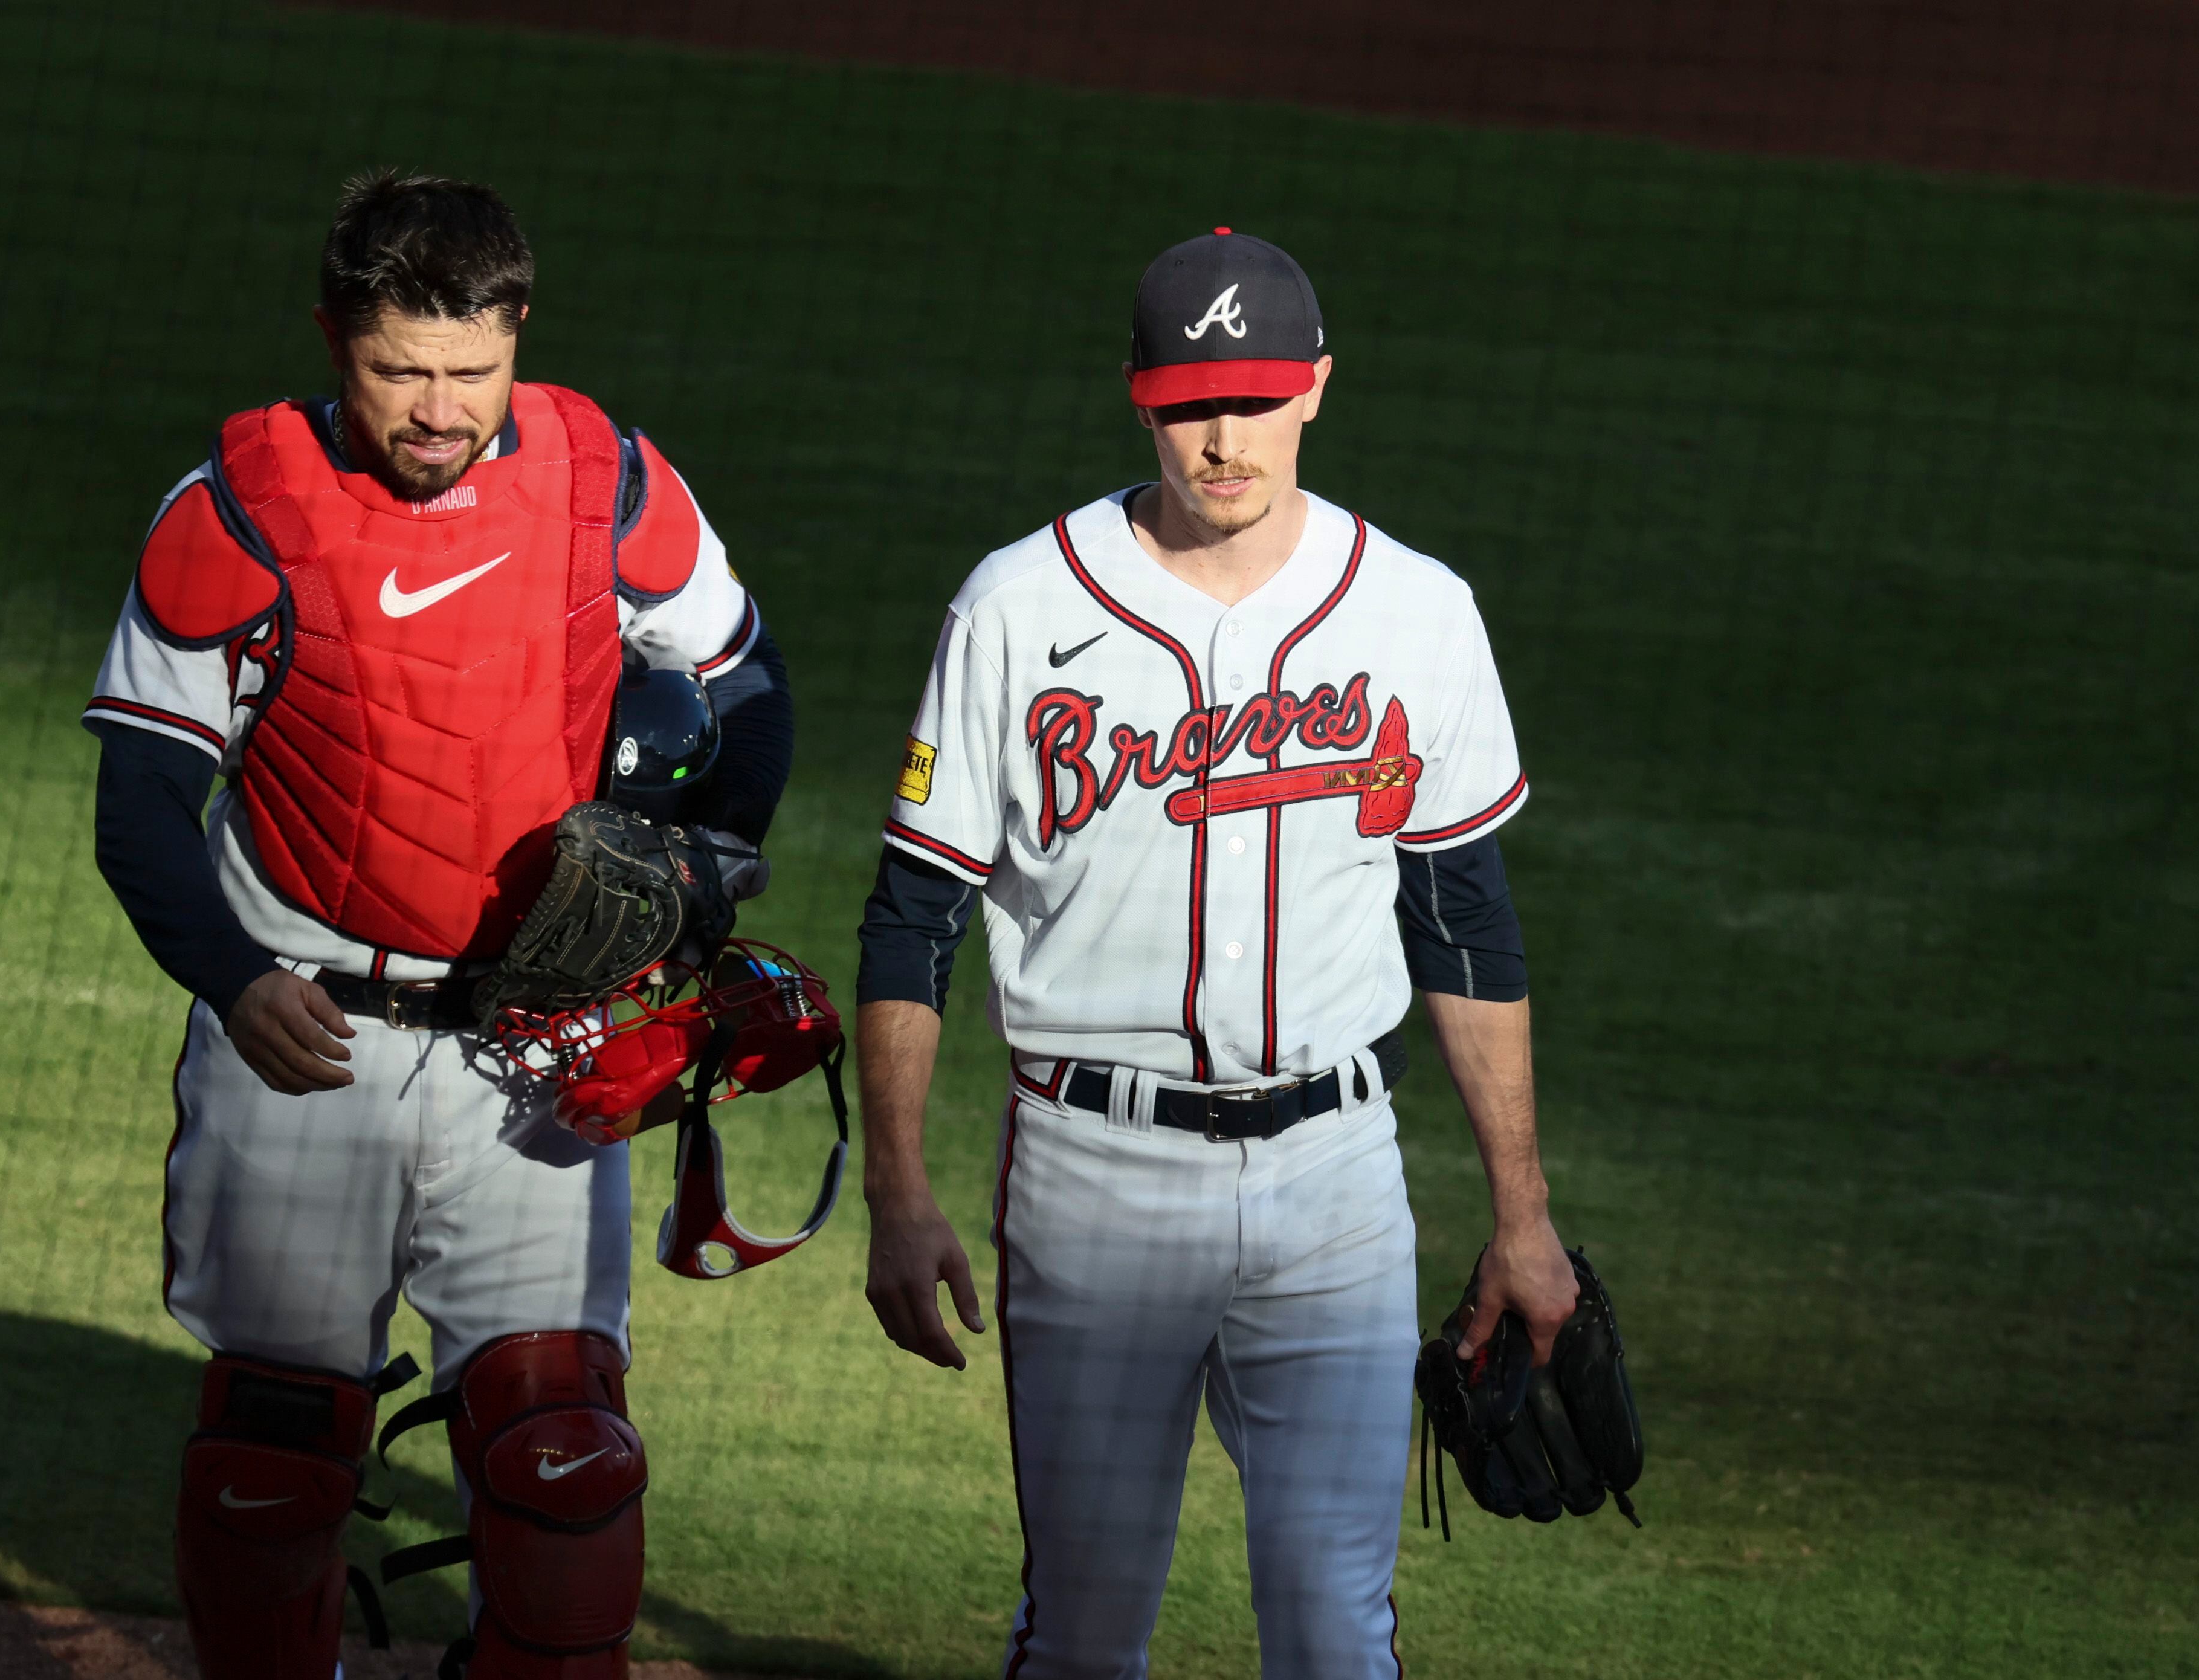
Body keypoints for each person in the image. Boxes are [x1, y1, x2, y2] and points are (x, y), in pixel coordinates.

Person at [83, 170, 792, 1680]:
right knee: (271, 1452)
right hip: (305, 1040)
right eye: (400, 369)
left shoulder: (607, 481)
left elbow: (745, 693)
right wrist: (228, 972)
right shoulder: (240, 510)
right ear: (337, 334)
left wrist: (705, 884)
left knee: (565, 1452)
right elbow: (141, 801)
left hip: (528, 1043)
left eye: (472, 373)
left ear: (517, 333)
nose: (437, 409)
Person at [855, 229, 1575, 1678]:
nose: (1223, 436)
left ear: (1316, 387)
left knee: (1332, 1634)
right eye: (1192, 400)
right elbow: (911, 915)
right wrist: (897, 1189)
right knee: (1087, 1632)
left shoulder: (1419, 613)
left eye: (1253, 397)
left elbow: (1463, 920)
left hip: (1336, 1186)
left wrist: (1523, 1211)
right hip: (1090, 1176)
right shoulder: (1017, 605)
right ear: (1140, 396)